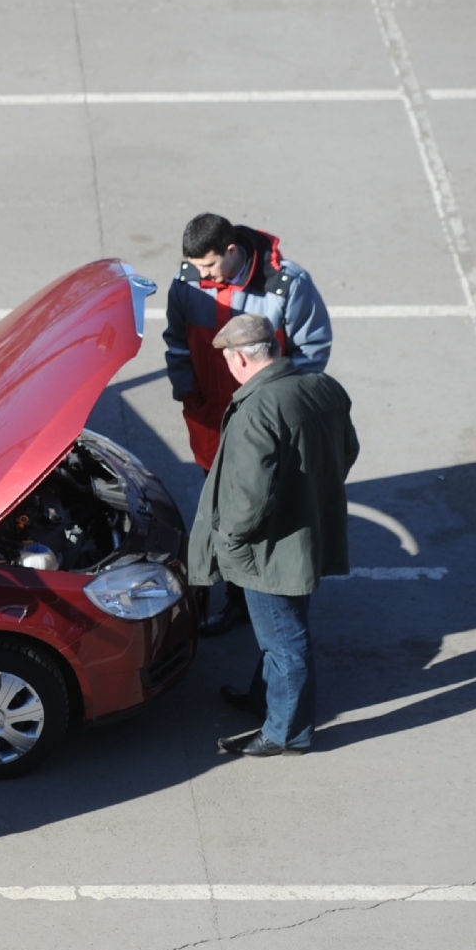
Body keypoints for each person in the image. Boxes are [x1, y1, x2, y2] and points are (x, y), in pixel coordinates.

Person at [188, 314, 358, 758]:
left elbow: (247, 499)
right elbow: (348, 451)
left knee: (284, 640)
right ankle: (262, 699)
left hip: (269, 551)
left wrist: (227, 544)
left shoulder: (256, 411)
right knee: (283, 628)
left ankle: (286, 732)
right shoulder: (325, 389)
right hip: (305, 537)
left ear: (240, 358)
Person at [166, 213, 334, 635]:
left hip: (264, 425)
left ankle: (265, 598)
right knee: (223, 510)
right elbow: (177, 342)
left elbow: (312, 351)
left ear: (231, 251)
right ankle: (239, 598)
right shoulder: (188, 282)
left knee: (258, 511)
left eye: (208, 266)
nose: (199, 274)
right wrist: (190, 394)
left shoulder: (287, 285)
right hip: (210, 422)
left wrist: (275, 405)